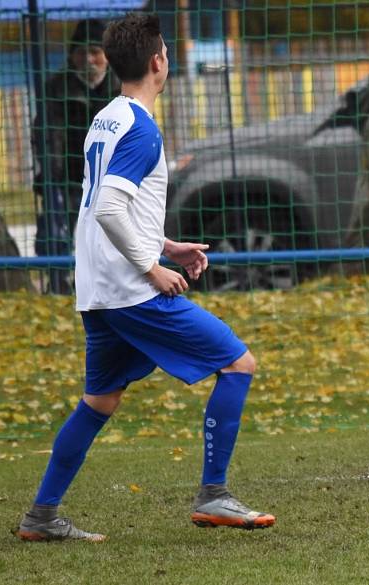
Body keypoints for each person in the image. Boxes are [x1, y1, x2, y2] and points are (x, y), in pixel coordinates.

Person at [15, 13, 274, 542]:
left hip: (98, 288)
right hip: (131, 290)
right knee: (238, 364)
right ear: (160, 61)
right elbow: (110, 208)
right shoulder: (142, 129)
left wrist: (166, 243)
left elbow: (104, 207)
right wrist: (152, 267)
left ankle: (41, 517)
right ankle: (214, 496)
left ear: (112, 64)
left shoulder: (106, 117)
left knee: (99, 402)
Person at [32, 19, 120, 294]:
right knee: (55, 235)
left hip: (112, 178)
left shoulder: (122, 87)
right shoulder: (55, 88)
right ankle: (58, 285)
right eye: (81, 52)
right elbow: (46, 137)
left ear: (106, 56)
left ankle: (111, 287)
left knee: (113, 236)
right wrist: (51, 178)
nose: (88, 59)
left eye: (95, 52)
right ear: (71, 55)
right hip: (68, 177)